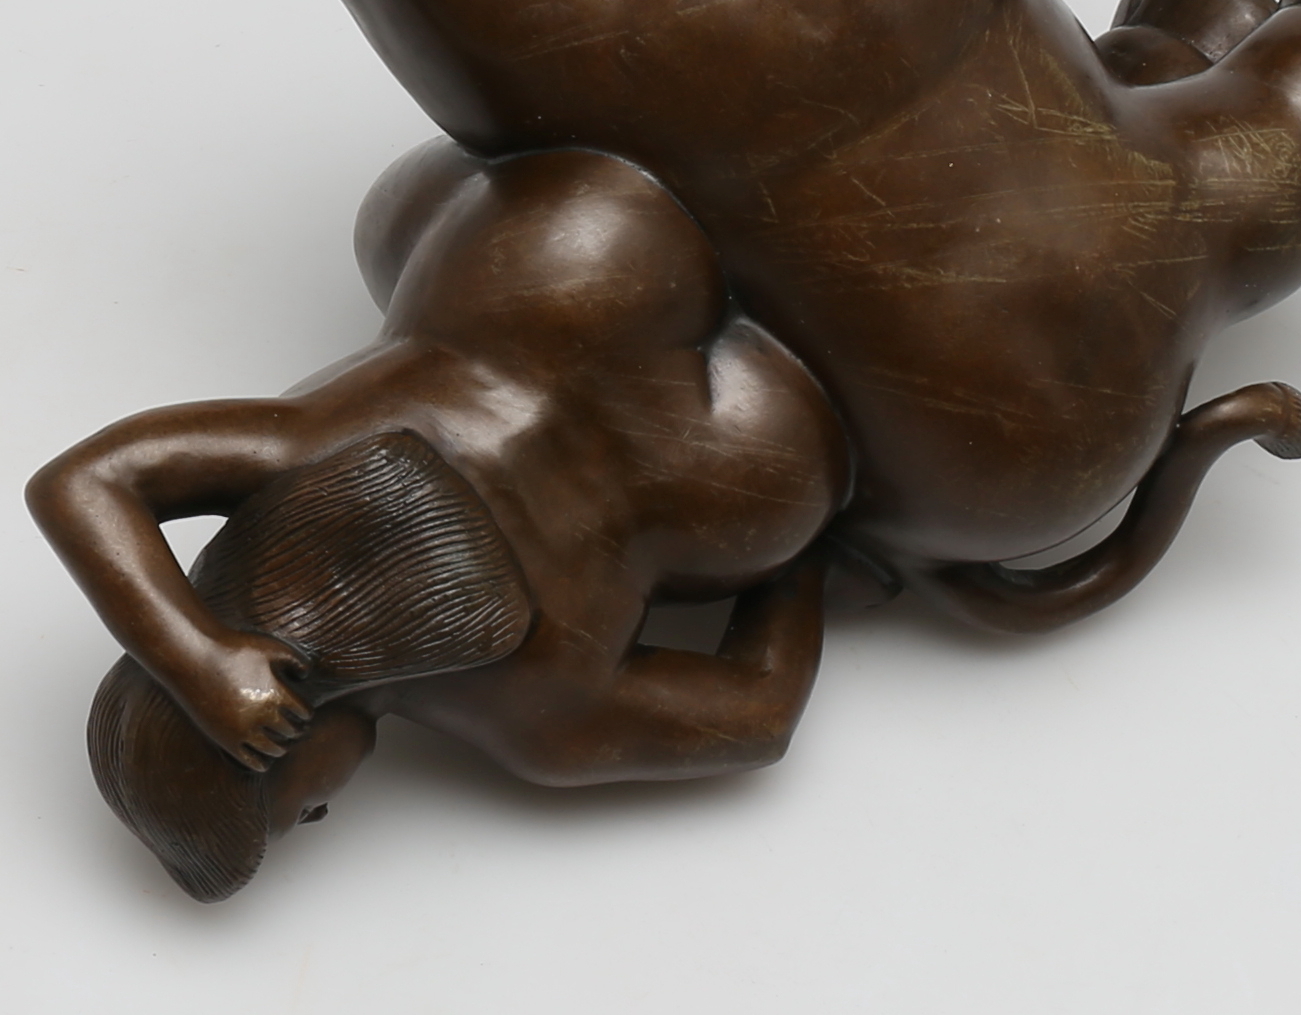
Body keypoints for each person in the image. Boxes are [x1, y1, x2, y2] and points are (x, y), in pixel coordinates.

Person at [29, 143, 849, 897]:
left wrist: (820, 554)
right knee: (395, 221)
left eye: (299, 812)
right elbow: (80, 483)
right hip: (575, 234)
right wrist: (193, 651)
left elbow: (760, 714)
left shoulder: (536, 718)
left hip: (767, 442)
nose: (323, 810)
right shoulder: (301, 447)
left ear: (269, 745)